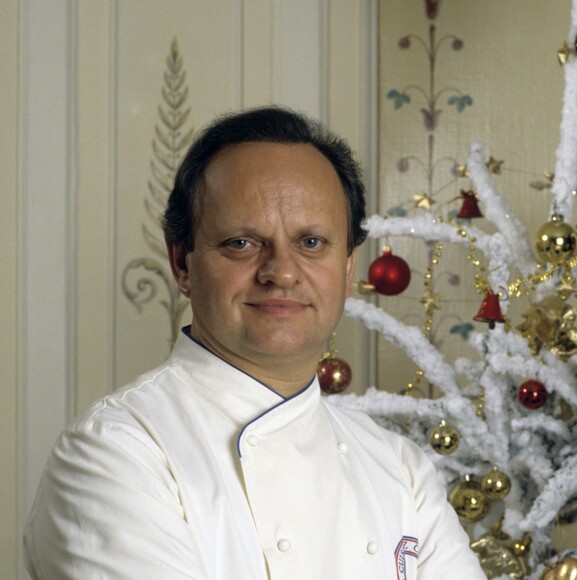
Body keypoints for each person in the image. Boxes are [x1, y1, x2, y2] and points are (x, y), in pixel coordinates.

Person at [24, 106, 485, 579]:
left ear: (347, 269)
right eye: (242, 243)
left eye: (311, 243)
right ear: (182, 262)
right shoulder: (116, 453)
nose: (281, 272)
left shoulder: (400, 469)